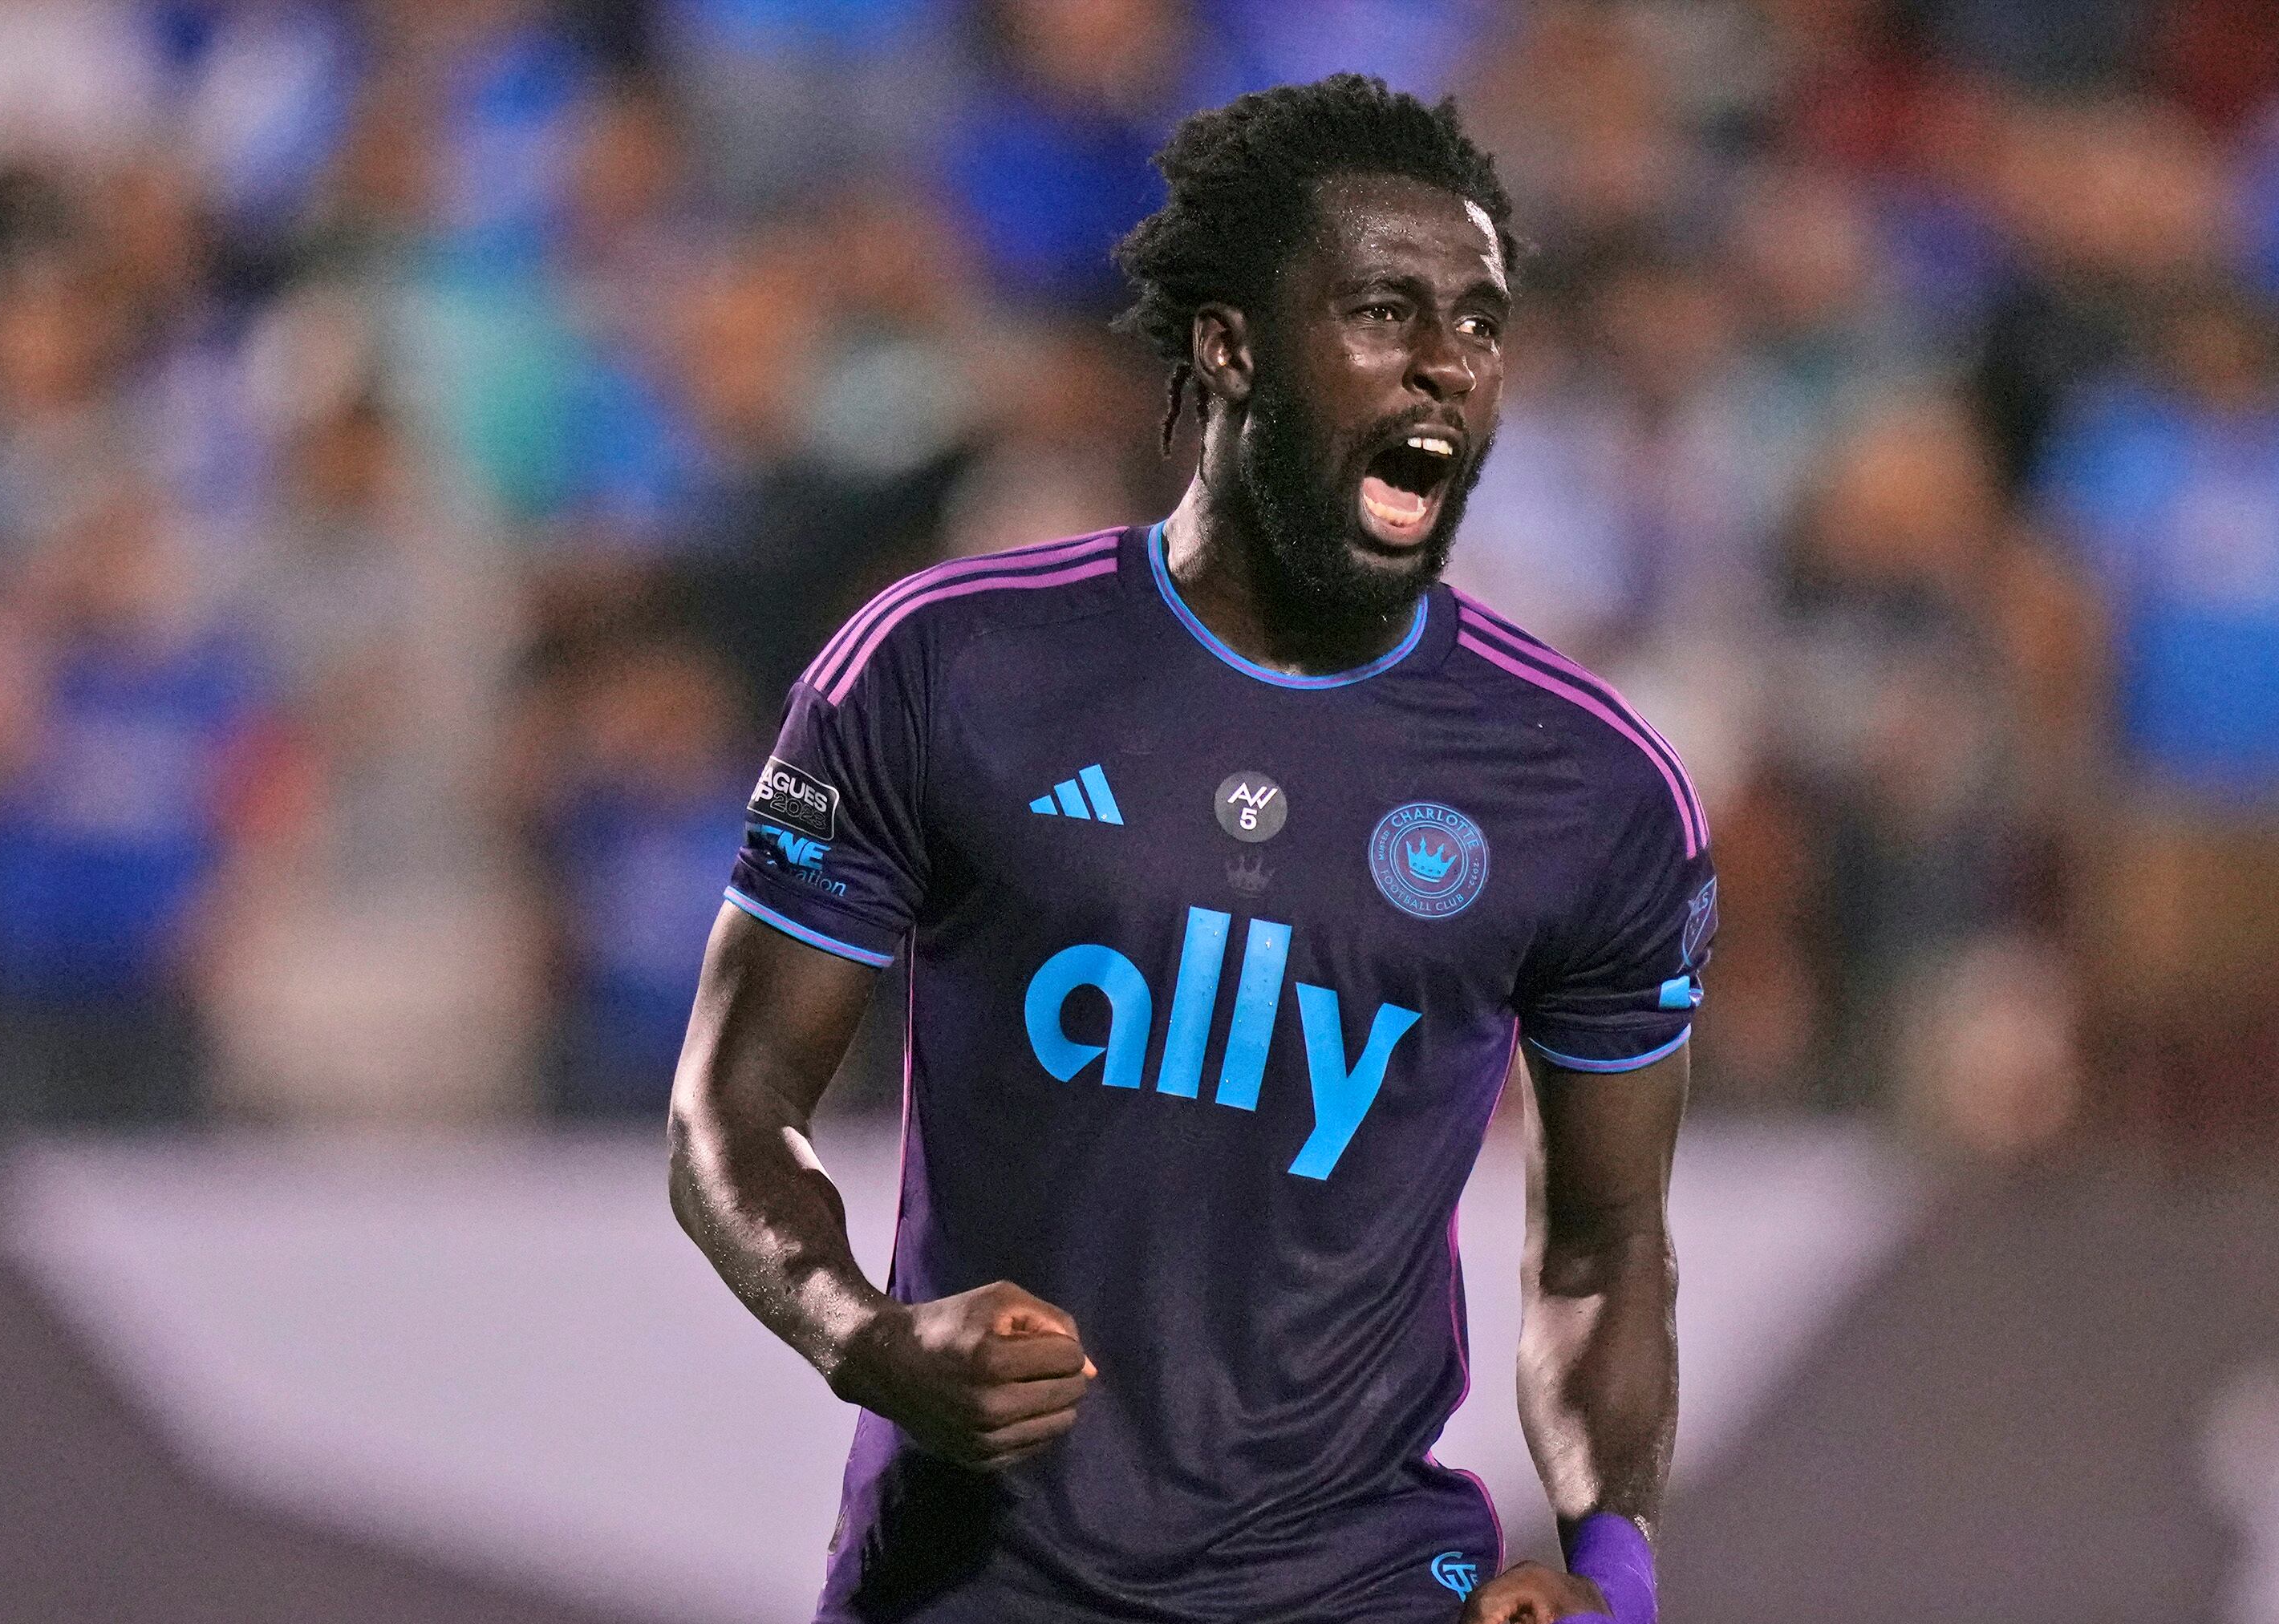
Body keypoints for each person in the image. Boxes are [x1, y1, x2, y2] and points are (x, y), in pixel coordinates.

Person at [668, 75, 1704, 1624]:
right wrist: (867, 1337)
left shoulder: (1593, 789)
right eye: (1384, 311)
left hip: (1361, 1585)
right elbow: (732, 1105)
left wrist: (1612, 1572)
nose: (1446, 363)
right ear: (1230, 348)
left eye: (1481, 324)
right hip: (974, 1588)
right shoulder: (945, 670)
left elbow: (1606, 1248)